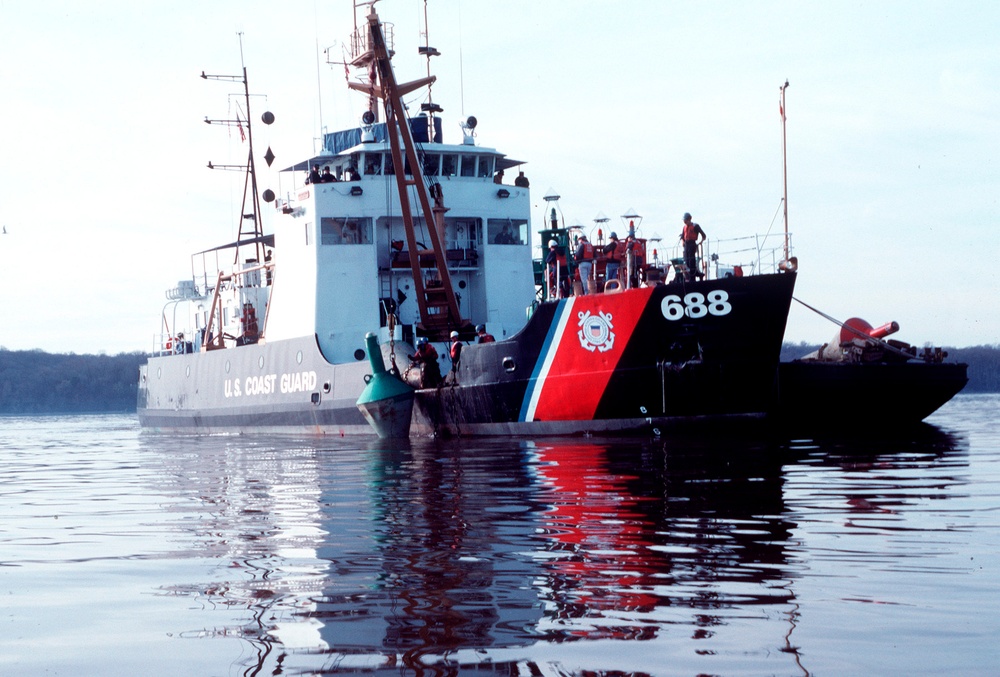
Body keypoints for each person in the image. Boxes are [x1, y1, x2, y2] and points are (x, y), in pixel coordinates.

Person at [680, 212, 707, 282]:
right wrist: (683, 241)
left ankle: (693, 278)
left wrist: (700, 242)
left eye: (685, 220)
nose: (685, 222)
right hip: (686, 245)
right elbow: (682, 236)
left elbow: (703, 235)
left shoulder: (695, 226)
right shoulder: (684, 227)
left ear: (689, 219)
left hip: (692, 244)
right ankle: (690, 276)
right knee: (686, 261)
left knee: (691, 261)